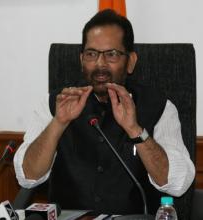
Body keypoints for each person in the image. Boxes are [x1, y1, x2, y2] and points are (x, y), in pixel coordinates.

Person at [14, 9, 195, 215]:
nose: (100, 64)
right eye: (91, 54)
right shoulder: (55, 104)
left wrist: (136, 130)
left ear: (131, 61)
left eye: (112, 54)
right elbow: (27, 175)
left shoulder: (159, 107)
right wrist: (58, 123)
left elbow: (178, 184)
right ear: (82, 59)